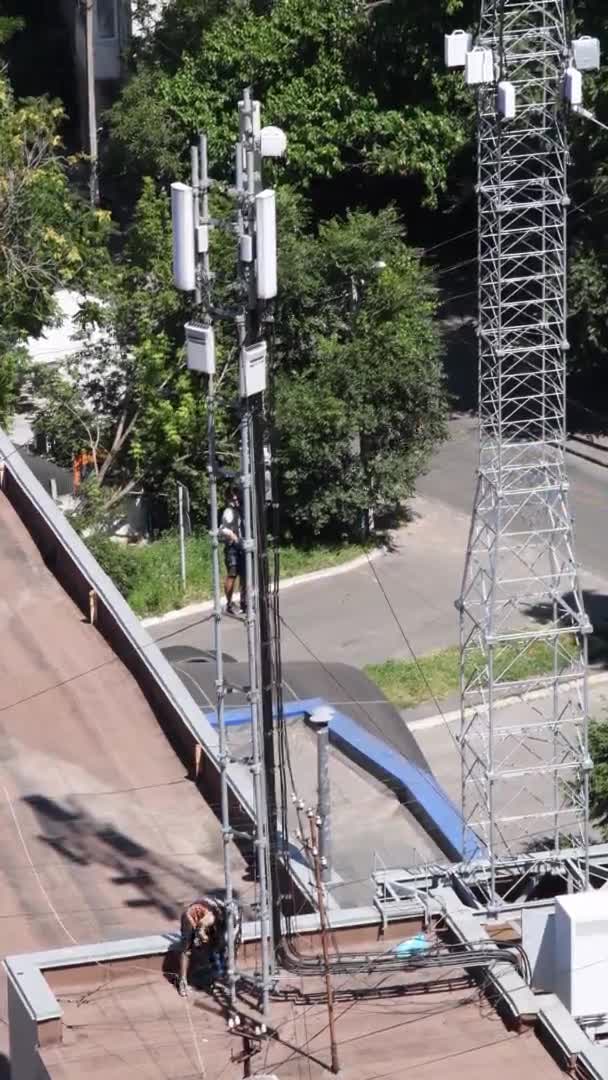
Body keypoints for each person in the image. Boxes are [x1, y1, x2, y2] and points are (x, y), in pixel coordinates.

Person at [177, 896, 226, 996]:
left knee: (212, 943)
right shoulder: (211, 918)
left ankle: (207, 975)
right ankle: (183, 981)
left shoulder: (221, 915)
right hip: (190, 917)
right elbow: (201, 928)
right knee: (186, 949)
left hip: (202, 912)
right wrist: (203, 937)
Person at [219, 484, 246, 615]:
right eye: (232, 497)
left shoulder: (239, 510)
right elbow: (223, 529)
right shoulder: (228, 512)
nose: (235, 499)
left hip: (240, 546)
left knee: (244, 575)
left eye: (236, 496)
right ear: (228, 499)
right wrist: (233, 536)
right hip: (232, 547)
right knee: (232, 575)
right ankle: (229, 604)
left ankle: (244, 602)